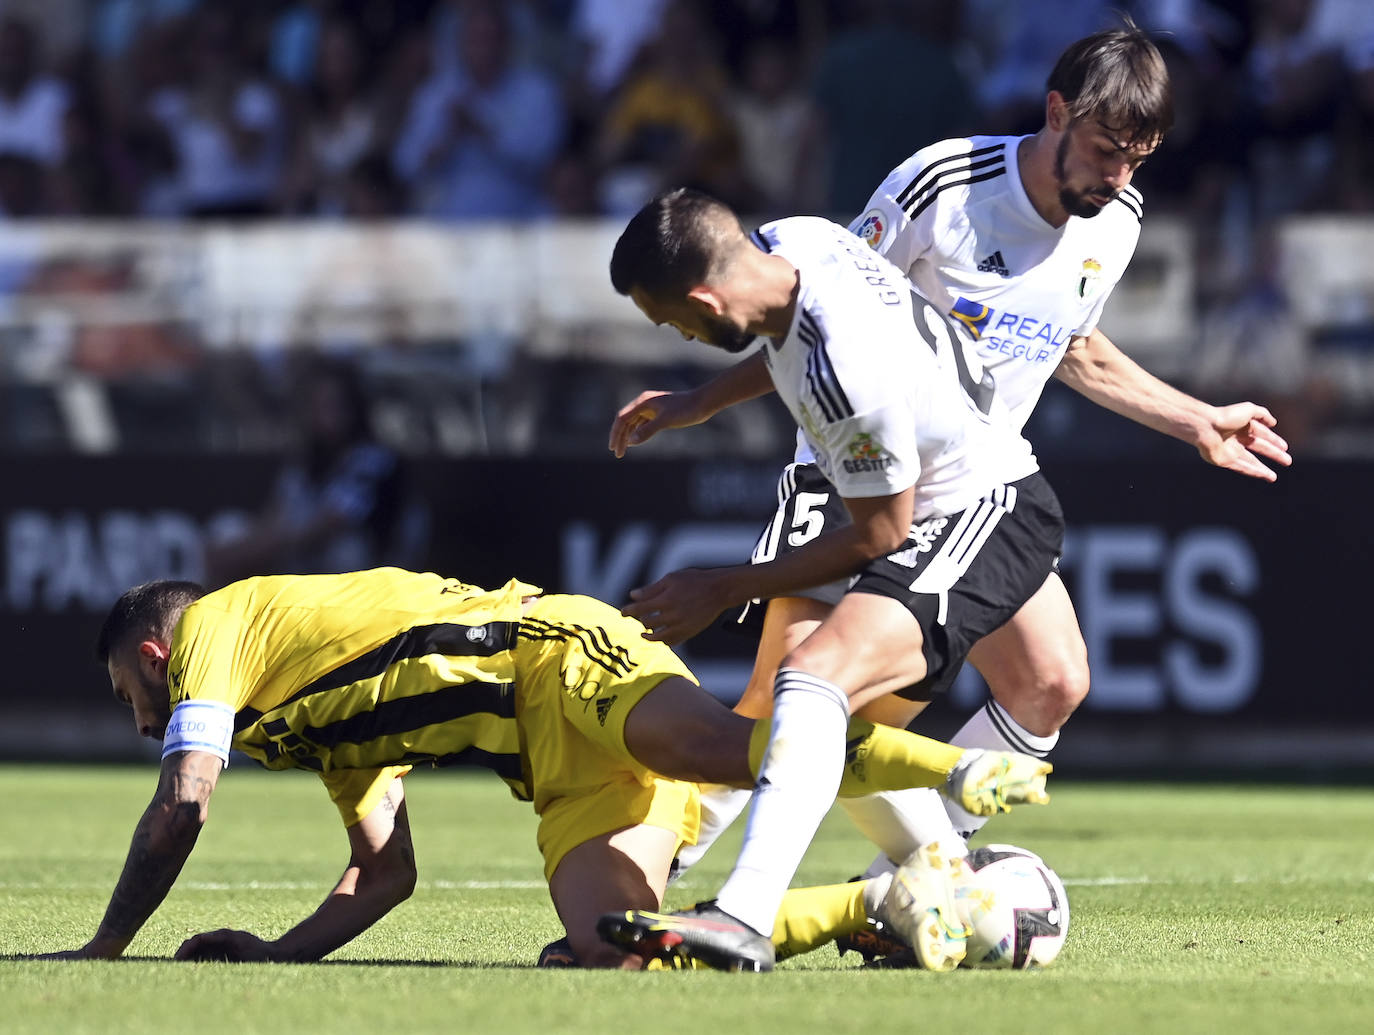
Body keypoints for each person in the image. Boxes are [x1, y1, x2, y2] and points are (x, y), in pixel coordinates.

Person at [608, 24, 1293, 950]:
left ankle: (906, 886)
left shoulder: (1118, 223)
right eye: (1104, 152)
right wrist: (702, 401)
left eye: (1140, 160)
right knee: (791, 701)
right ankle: (663, 884)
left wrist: (1193, 419)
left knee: (1051, 679)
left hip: (972, 487)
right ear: (1057, 114)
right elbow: (805, 315)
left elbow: (1075, 350)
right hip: (853, 475)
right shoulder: (945, 185)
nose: (1120, 179)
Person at [36, 567, 1049, 970]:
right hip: (551, 767)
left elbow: (182, 806)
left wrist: (105, 947)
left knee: (713, 745)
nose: (138, 723)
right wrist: (278, 958)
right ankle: (881, 905)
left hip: (552, 655)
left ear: (156, 657)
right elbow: (384, 873)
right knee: (620, 952)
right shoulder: (298, 724)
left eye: (132, 695)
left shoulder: (215, 626)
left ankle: (950, 774)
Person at [601, 188, 1067, 973]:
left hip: (980, 509)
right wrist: (698, 402)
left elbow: (881, 534)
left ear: (705, 296)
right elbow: (783, 346)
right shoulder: (801, 241)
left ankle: (747, 913)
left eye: (672, 320)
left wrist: (723, 586)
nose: (676, 334)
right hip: (946, 489)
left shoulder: (843, 370)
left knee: (812, 684)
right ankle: (928, 878)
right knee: (817, 705)